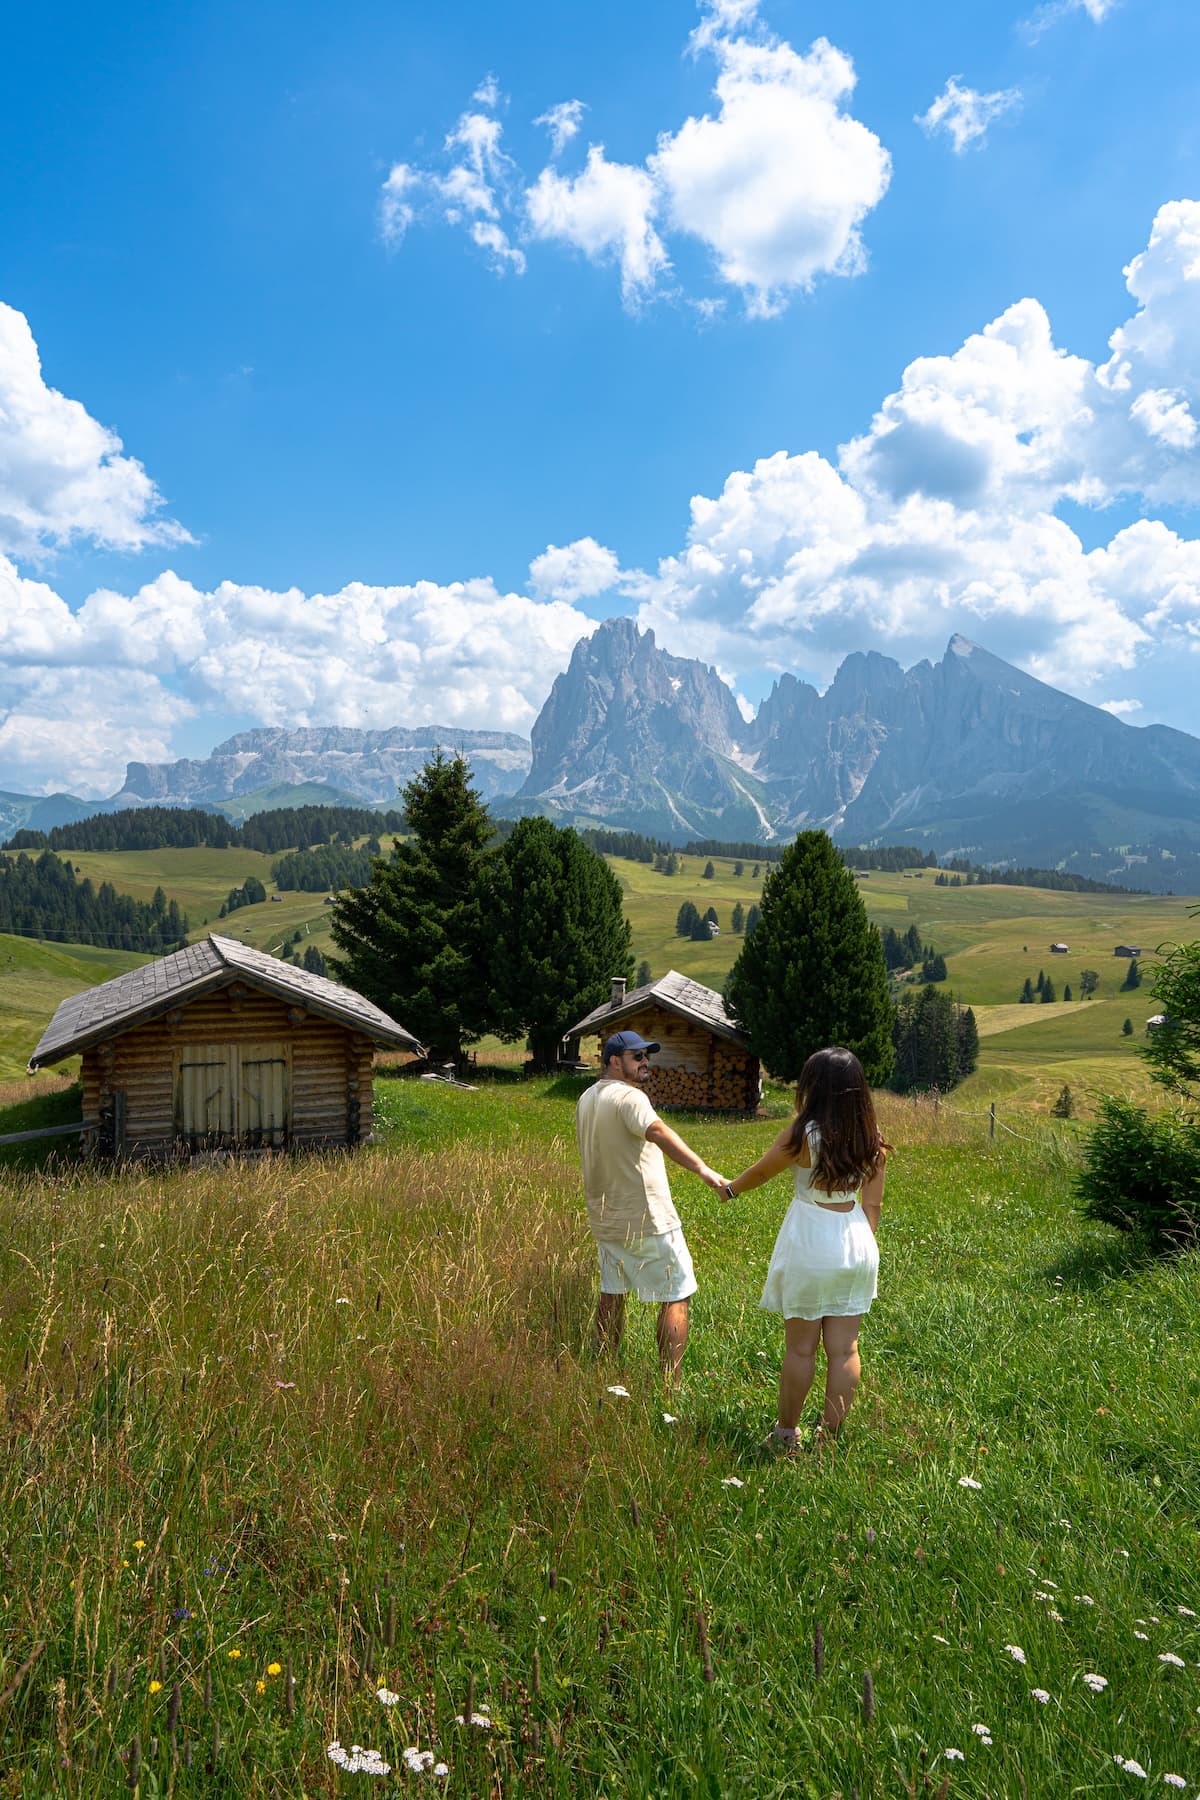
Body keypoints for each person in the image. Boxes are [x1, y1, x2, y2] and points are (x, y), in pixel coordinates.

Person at [722, 1047, 888, 1449]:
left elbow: (761, 1172)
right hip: (857, 1242)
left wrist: (729, 1189)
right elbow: (873, 1205)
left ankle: (786, 1434)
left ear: (815, 1086)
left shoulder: (804, 1134)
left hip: (813, 1239)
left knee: (800, 1349)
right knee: (845, 1348)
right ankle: (829, 1436)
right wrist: (860, 1245)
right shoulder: (872, 1137)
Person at [576, 1029, 728, 1382]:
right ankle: (670, 1386)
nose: (646, 1062)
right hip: (647, 1217)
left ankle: (603, 1370)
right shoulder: (630, 1097)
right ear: (615, 1061)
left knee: (612, 1293)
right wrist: (704, 1170)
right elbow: (658, 1132)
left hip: (605, 1218)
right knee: (677, 1294)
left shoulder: (587, 1098)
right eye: (637, 1056)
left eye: (647, 1055)